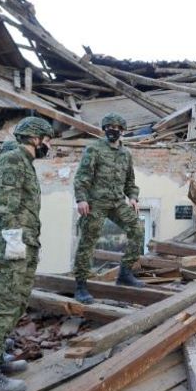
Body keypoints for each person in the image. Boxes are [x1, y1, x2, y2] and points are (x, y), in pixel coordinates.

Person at [0, 116, 52, 391]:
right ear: (34, 138)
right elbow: (3, 205)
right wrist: (13, 242)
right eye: (46, 141)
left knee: (17, 302)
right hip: (13, 244)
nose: (48, 146)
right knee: (5, 306)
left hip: (23, 243)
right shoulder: (13, 160)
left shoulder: (24, 162)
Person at [72, 113, 145, 304]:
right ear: (104, 129)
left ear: (122, 131)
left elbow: (130, 181)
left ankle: (125, 273)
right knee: (88, 241)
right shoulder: (94, 149)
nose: (114, 130)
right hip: (96, 202)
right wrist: (81, 199)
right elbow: (82, 177)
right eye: (110, 127)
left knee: (137, 229)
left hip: (117, 202)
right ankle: (81, 285)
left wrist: (133, 197)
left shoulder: (126, 153)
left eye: (118, 128)